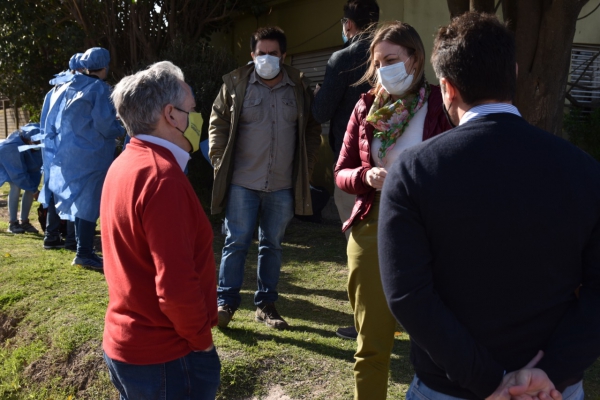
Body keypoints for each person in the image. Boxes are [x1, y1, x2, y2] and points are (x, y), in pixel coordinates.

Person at [378, 12, 600, 400]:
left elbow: (408, 295)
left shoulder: (413, 172)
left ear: (446, 88)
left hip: (450, 388)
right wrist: (550, 372)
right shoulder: (583, 170)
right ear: (512, 73)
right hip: (551, 390)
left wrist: (489, 381)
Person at [334, 21, 452, 400]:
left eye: (391, 59)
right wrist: (366, 176)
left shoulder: (441, 103)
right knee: (371, 343)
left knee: (438, 341)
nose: (383, 67)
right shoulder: (366, 106)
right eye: (377, 60)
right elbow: (340, 172)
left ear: (414, 59)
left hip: (430, 229)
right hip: (372, 225)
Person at [101, 61, 219, 399]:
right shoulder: (161, 177)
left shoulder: (125, 163)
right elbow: (176, 284)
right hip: (166, 356)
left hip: (129, 346)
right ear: (171, 115)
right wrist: (202, 342)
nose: (195, 119)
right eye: (192, 110)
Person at [209, 26, 322, 330]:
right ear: (252, 55)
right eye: (261, 54)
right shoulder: (235, 85)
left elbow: (311, 130)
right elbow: (217, 122)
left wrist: (306, 167)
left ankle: (266, 305)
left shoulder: (298, 87)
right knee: (236, 242)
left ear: (283, 56)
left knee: (272, 245)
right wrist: (219, 161)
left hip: (282, 184)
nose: (267, 59)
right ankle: (226, 303)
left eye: (273, 54)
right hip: (242, 182)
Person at [312, 0, 380, 341]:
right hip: (394, 163)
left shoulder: (344, 58)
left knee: (359, 245)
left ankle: (363, 322)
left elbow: (321, 112)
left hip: (353, 166)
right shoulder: (395, 52)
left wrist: (318, 95)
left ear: (349, 25)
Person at [47, 47, 125, 269]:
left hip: (71, 153)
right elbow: (103, 124)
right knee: (89, 204)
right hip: (94, 154)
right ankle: (84, 252)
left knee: (82, 204)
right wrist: (122, 129)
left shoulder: (69, 86)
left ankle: (83, 250)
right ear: (105, 65)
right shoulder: (99, 89)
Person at [0, 123, 43, 234]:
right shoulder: (11, 147)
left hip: (23, 165)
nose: (38, 144)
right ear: (27, 139)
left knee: (31, 185)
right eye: (36, 142)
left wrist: (34, 189)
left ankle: (24, 221)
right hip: (7, 165)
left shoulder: (35, 138)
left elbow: (37, 166)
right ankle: (12, 223)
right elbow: (18, 174)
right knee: (16, 186)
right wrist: (35, 191)